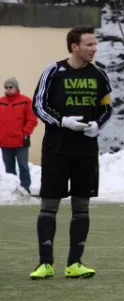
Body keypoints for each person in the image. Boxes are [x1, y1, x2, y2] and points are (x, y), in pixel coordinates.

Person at [29, 26, 113, 280]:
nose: (94, 48)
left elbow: (107, 108)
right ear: (74, 46)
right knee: (49, 206)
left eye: (95, 44)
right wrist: (63, 121)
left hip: (86, 152)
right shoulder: (53, 71)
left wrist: (98, 124)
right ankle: (45, 264)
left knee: (81, 207)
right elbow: (38, 105)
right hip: (56, 150)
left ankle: (75, 263)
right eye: (89, 44)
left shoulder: (99, 74)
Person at [0, 77, 38, 194]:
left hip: (21, 140)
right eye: (6, 87)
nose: (8, 89)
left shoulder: (25, 101)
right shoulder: (1, 102)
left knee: (23, 166)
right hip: (4, 141)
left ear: (16, 88)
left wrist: (26, 133)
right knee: (9, 168)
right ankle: (13, 190)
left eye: (10, 87)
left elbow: (32, 119)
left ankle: (26, 189)